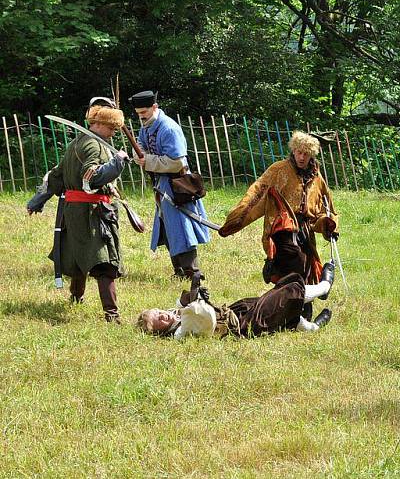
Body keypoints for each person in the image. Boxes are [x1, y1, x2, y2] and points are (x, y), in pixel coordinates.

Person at [26, 97, 130, 322]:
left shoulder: (76, 143)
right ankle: (112, 315)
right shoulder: (94, 145)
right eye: (111, 127)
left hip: (74, 211)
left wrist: (36, 201)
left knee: (78, 254)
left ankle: (76, 297)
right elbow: (92, 178)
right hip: (94, 211)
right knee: (104, 262)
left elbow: (55, 177)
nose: (113, 132)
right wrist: (118, 162)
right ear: (99, 124)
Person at [218, 131, 338, 319]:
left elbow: (325, 208)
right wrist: (235, 222)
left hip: (304, 233)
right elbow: (256, 194)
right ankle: (285, 312)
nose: (301, 157)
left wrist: (329, 225)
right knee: (294, 267)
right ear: (293, 150)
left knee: (305, 271)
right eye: (298, 152)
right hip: (282, 231)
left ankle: (298, 313)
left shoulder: (316, 177)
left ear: (312, 155)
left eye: (306, 153)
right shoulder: (279, 170)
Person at [130, 90, 211, 280]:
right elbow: (141, 146)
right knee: (167, 228)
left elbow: (177, 162)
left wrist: (148, 161)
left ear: (155, 107)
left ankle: (193, 273)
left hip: (177, 184)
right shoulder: (146, 126)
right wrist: (138, 155)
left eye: (144, 112)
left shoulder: (168, 128)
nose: (141, 116)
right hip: (162, 184)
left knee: (182, 228)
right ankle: (179, 271)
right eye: (139, 113)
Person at [137, 269, 334, 338]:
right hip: (242, 325)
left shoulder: (176, 314)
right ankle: (325, 286)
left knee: (279, 311)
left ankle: (314, 327)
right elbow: (202, 318)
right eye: (159, 320)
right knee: (286, 295)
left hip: (235, 310)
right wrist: (198, 297)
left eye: (159, 312)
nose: (164, 315)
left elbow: (182, 303)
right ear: (161, 331)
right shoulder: (181, 332)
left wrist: (194, 292)